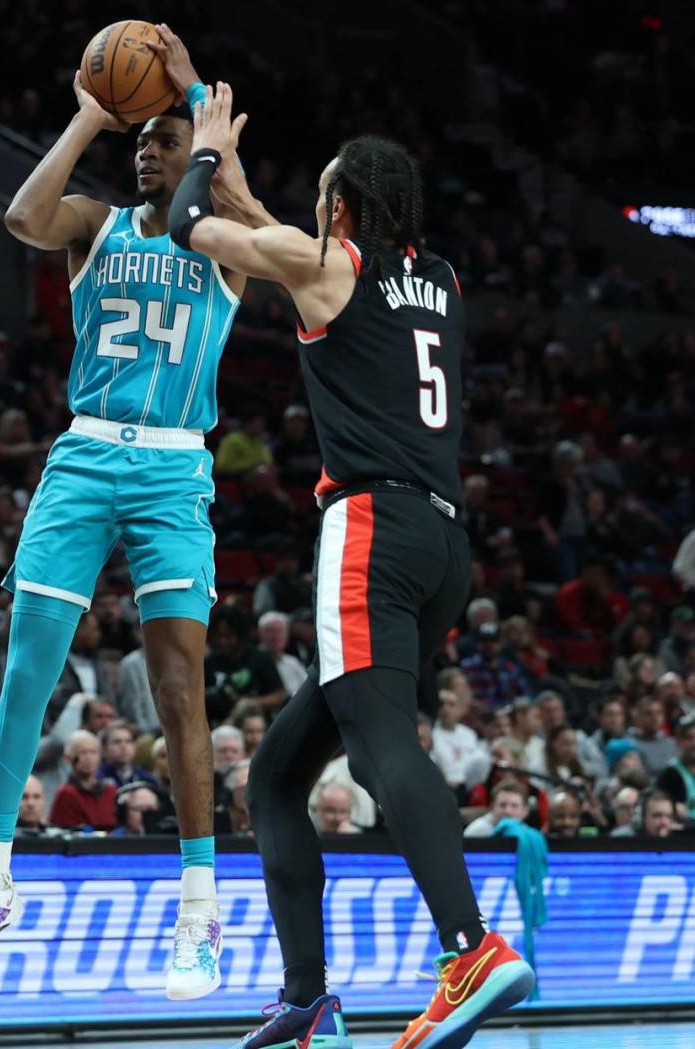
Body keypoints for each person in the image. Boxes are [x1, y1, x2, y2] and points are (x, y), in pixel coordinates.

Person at [169, 85, 535, 1047]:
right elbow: (291, 242)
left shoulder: (327, 265)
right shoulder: (443, 279)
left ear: (338, 210)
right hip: (445, 544)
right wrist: (259, 196)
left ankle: (470, 951)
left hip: (368, 528)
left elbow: (188, 225)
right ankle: (306, 999)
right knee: (280, 775)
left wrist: (204, 158)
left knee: (379, 753)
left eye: (321, 197)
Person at [0, 29, 260, 1000]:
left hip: (173, 469)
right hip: (85, 450)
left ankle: (200, 913)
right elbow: (19, 215)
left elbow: (269, 224)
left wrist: (198, 104)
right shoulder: (96, 223)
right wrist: (94, 106)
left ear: (191, 150)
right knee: (29, 665)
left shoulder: (224, 241)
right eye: (141, 143)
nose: (145, 153)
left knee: (177, 687)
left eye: (161, 141)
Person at [49, 730, 117, 831]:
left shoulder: (111, 791)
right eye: (83, 752)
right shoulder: (65, 794)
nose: (88, 758)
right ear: (68, 758)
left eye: (93, 752)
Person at [257, 611, 309, 698]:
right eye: (270, 631)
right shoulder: (253, 659)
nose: (275, 636)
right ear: (260, 634)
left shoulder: (293, 662)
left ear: (287, 636)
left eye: (279, 631)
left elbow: (309, 690)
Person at [656, 714, 695, 823]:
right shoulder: (669, 774)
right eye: (689, 738)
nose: (694, 743)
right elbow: (659, 803)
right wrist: (673, 806)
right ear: (678, 741)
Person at [98, 719, 155, 788]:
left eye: (128, 741)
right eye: (117, 742)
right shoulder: (97, 779)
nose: (124, 746)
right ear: (104, 749)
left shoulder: (147, 779)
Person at [464, 780, 530, 837]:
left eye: (514, 806)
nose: (508, 811)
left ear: (525, 811)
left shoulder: (528, 833)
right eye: (502, 805)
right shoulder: (476, 832)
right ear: (492, 807)